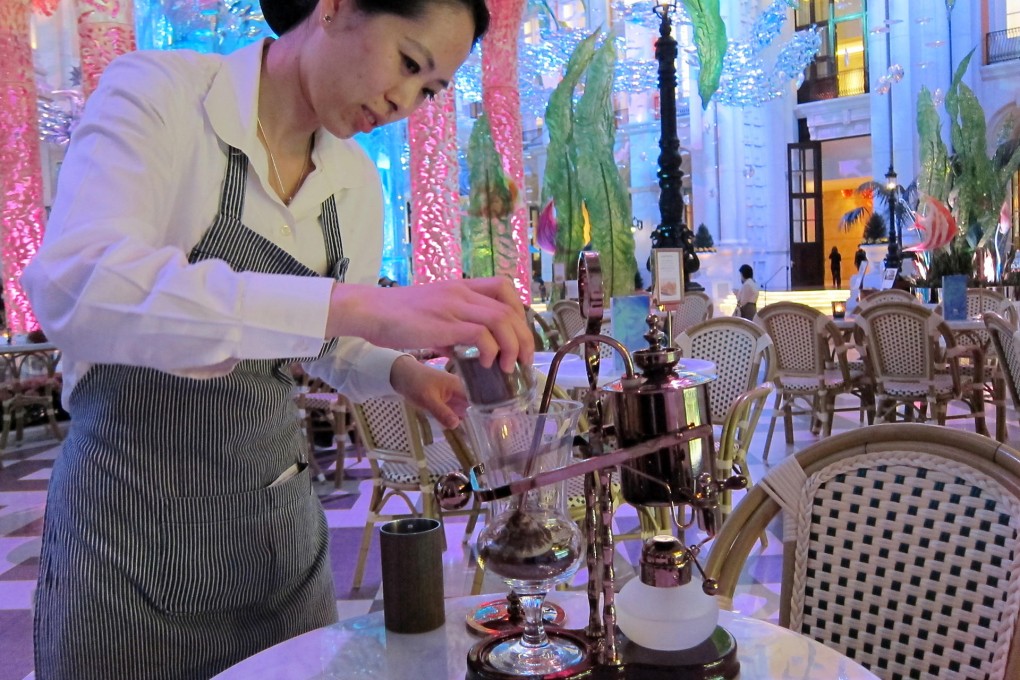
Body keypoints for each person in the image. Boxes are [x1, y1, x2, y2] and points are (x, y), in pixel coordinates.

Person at [21, 1, 531, 678]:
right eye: (408, 63)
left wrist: (405, 372)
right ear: (335, 8)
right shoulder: (162, 94)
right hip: (126, 531)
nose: (404, 100)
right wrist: (363, 305)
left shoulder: (352, 183)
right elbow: (80, 286)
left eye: (428, 89)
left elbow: (324, 339)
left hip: (274, 529)